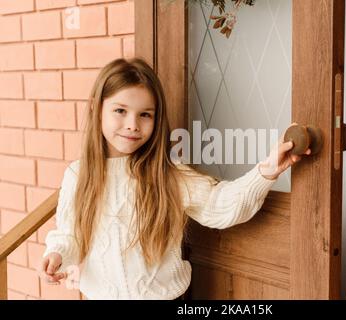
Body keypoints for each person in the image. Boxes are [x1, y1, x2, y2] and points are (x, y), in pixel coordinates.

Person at [37, 57, 311, 300]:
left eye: (145, 115)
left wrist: (266, 170)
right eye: (120, 110)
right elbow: (70, 234)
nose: (133, 124)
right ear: (97, 109)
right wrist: (57, 255)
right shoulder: (78, 175)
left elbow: (221, 205)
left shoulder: (168, 176)